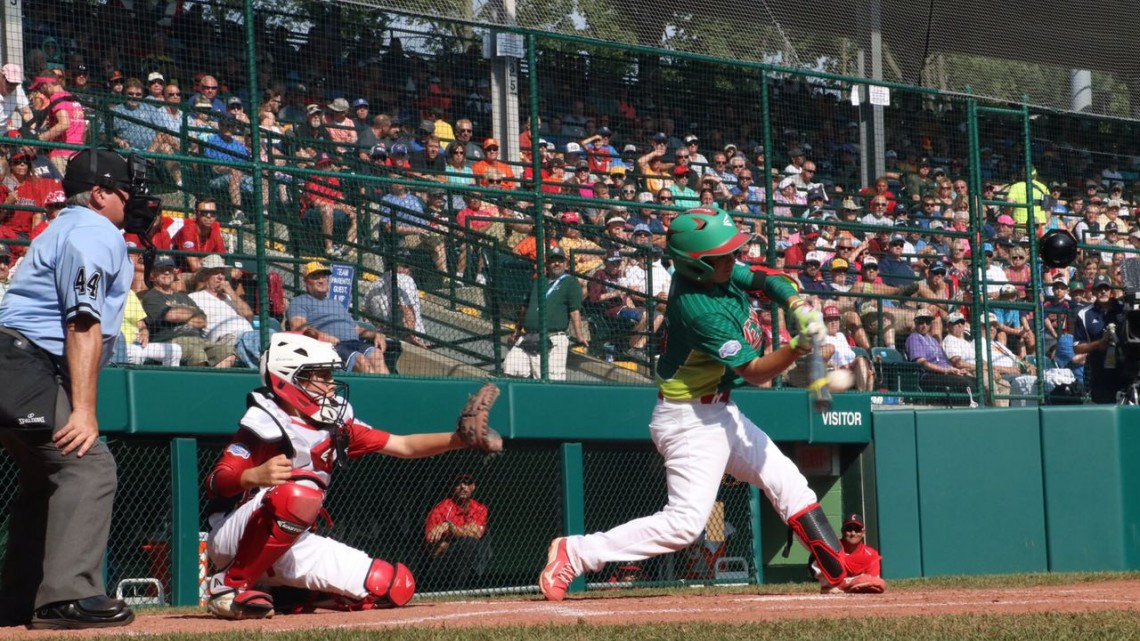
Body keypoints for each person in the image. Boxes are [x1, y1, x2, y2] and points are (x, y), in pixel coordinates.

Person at [538, 208, 882, 601]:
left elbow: (765, 277)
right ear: (695, 265)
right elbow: (755, 372)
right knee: (686, 524)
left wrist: (796, 305)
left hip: (720, 411)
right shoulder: (697, 308)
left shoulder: (718, 269)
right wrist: (799, 345)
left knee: (786, 480)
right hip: (687, 419)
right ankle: (577, 552)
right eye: (721, 256)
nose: (731, 260)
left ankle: (836, 569)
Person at [203, 333, 495, 618]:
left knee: (393, 585)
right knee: (300, 491)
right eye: (322, 376)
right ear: (290, 378)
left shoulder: (335, 423)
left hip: (292, 539)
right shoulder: (266, 419)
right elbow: (217, 483)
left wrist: (458, 440)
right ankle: (229, 586)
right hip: (235, 536)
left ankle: (285, 594)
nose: (331, 385)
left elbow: (403, 445)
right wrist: (252, 476)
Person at [0, 150, 137, 628]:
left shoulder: (63, 226)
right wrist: (84, 409)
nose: (132, 197)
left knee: (46, 476)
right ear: (99, 193)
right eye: (125, 189)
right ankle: (66, 597)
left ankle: (17, 600)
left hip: (15, 362)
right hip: (24, 362)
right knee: (88, 467)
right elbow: (82, 321)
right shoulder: (93, 232)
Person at [286, 261, 391, 374]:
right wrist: (323, 337)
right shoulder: (300, 301)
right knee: (360, 360)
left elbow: (356, 329)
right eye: (315, 277)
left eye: (323, 276)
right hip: (331, 347)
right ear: (306, 281)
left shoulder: (336, 303)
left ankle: (388, 391)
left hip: (355, 342)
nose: (321, 280)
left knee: (377, 355)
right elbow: (297, 327)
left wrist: (377, 334)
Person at [503, 247, 588, 380]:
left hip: (553, 338)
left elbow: (574, 310)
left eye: (560, 260)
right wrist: (517, 331)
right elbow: (525, 307)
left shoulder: (570, 282)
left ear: (566, 263)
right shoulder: (538, 281)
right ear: (547, 264)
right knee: (512, 369)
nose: (557, 264)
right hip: (528, 337)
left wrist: (579, 335)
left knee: (550, 380)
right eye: (553, 261)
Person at [142, 256, 238, 368]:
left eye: (170, 269)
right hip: (171, 340)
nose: (167, 272)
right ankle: (200, 383)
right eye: (161, 270)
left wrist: (182, 316)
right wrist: (192, 312)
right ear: (153, 275)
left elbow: (203, 321)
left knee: (227, 352)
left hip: (199, 339)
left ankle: (212, 382)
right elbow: (171, 315)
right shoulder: (152, 296)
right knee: (197, 353)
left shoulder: (183, 297)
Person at [421, 473, 491, 592]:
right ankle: (458, 589)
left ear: (473, 486)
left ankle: (472, 581)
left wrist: (449, 528)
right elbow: (433, 550)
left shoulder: (479, 508)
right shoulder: (441, 509)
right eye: (459, 483)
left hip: (468, 561)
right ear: (453, 487)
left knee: (484, 537)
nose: (463, 486)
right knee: (468, 543)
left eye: (467, 483)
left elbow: (477, 534)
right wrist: (462, 534)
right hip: (440, 567)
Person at [1073, 275, 1128, 403]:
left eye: (1106, 288)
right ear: (1093, 292)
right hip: (1100, 372)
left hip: (1126, 369)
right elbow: (1077, 347)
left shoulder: (1124, 309)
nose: (1103, 291)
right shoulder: (1084, 314)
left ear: (1111, 291)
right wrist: (1099, 344)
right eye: (1099, 288)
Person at [835, 514, 883, 590]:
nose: (853, 533)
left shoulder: (870, 554)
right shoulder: (832, 549)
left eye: (857, 529)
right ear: (843, 531)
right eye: (849, 529)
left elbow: (873, 583)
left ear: (863, 533)